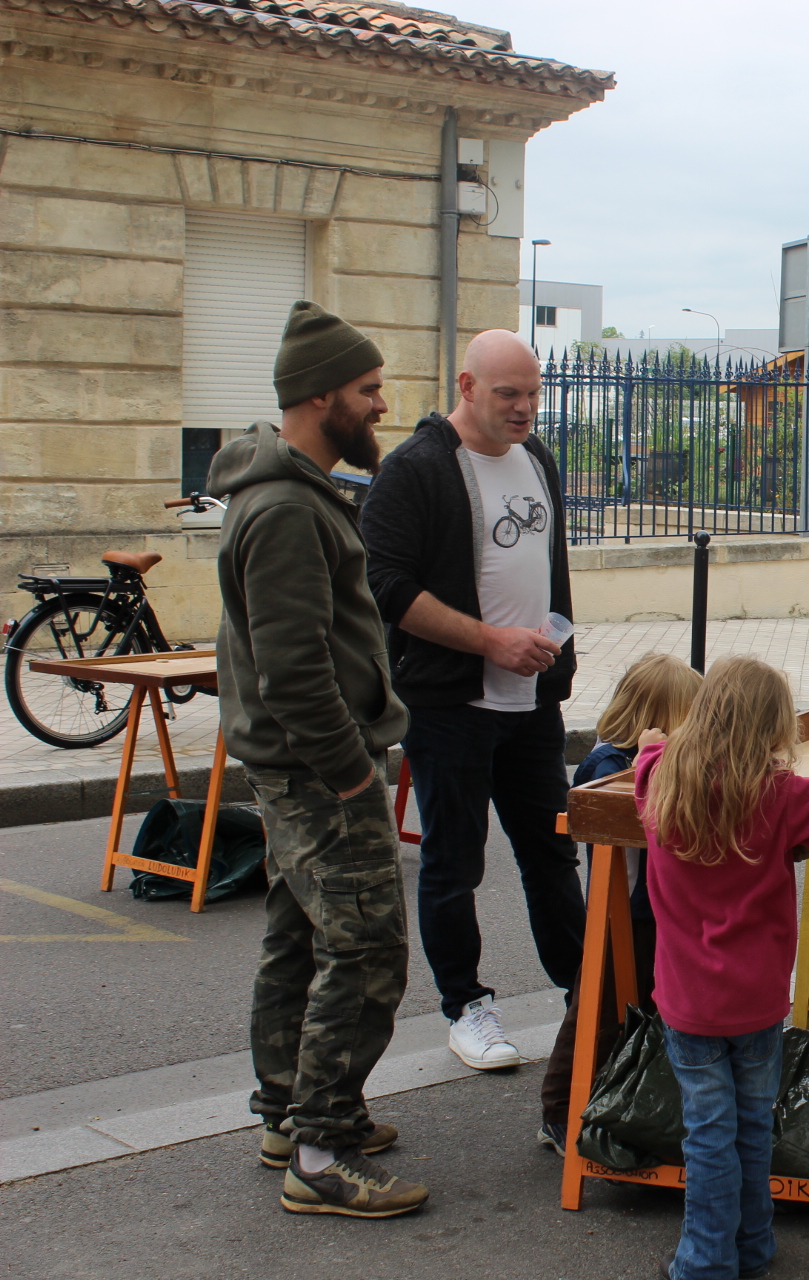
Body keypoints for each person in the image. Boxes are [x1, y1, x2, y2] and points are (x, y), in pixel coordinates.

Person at [209, 300, 426, 1217]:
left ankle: (285, 1116)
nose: (381, 404)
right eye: (367, 389)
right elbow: (294, 670)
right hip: (318, 772)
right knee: (367, 949)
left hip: (298, 767)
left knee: (300, 936)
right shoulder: (288, 509)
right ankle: (322, 1151)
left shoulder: (293, 494)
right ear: (319, 396)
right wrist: (350, 771)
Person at [360, 330, 584, 1071]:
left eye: (533, 394)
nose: (524, 409)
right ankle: (466, 1008)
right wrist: (491, 642)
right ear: (466, 386)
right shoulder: (416, 468)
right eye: (507, 394)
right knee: (454, 864)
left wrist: (551, 650)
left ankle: (588, 995)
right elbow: (387, 588)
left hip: (533, 702)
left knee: (551, 855)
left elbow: (546, 565)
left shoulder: (537, 457)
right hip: (450, 705)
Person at [638, 657, 809, 1280]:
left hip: (687, 998)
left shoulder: (661, 777)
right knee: (750, 1125)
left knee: (706, 1131)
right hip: (758, 997)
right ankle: (751, 1246)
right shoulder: (784, 794)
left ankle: (706, 1259)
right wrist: (785, 772)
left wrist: (652, 745)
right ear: (775, 730)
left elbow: (646, 760)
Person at [537, 653, 704, 1154]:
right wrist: (654, 762)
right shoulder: (609, 762)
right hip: (621, 913)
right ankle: (560, 1111)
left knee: (647, 1009)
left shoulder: (645, 758)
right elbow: (628, 812)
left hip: (652, 910)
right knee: (598, 1012)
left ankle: (627, 1102)